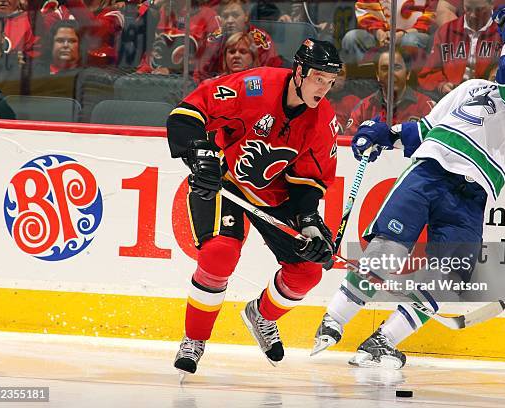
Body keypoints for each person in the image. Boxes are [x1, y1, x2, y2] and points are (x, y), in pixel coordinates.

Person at [311, 6, 505, 368]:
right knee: (388, 250)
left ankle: (384, 340)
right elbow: (426, 128)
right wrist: (389, 134)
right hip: (429, 171)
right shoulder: (474, 87)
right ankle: (334, 320)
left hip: (473, 195)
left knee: (447, 276)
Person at [166, 38, 342, 375]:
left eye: (330, 81)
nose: (324, 87)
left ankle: (261, 315)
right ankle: (194, 340)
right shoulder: (254, 86)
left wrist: (308, 222)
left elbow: (309, 181)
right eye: (319, 77)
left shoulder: (322, 121)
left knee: (307, 271)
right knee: (219, 253)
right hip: (226, 179)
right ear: (300, 71)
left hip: (275, 195)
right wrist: (198, 153)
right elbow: (188, 112)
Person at [418, 0, 502, 98]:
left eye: (479, 10)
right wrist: (442, 84)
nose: (473, 15)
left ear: (492, 4)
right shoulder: (446, 31)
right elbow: (428, 73)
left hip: (489, 99)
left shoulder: (503, 32)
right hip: (451, 98)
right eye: (468, 9)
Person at [346, 46, 434, 134]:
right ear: (377, 75)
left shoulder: (426, 107)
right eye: (385, 68)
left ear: (408, 73)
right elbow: (349, 142)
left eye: (397, 67)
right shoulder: (364, 108)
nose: (390, 73)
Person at [193, 0, 282, 82]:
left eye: (235, 15)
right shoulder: (212, 40)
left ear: (246, 16)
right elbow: (200, 75)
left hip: (253, 88)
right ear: (220, 18)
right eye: (225, 16)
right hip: (220, 90)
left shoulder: (261, 41)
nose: (230, 21)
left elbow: (271, 75)